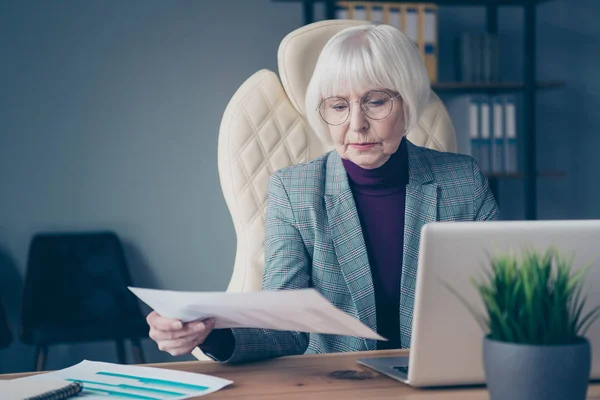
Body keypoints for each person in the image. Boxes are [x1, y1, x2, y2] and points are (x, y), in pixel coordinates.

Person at [146, 23, 500, 364]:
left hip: (439, 376)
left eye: (375, 102)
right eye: (339, 106)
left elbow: (501, 297)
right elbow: (285, 326)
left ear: (407, 104)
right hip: (336, 381)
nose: (356, 124)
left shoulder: (462, 178)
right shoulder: (294, 190)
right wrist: (207, 334)